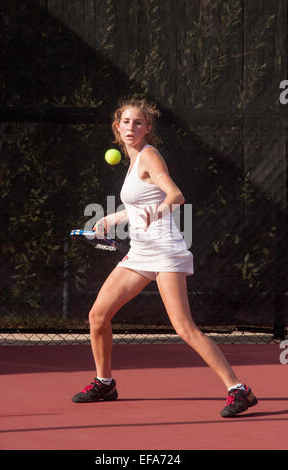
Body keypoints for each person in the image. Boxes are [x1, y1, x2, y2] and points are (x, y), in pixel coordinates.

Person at [72, 98, 258, 417]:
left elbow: (175, 195)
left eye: (138, 123)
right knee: (97, 316)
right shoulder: (132, 162)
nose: (132, 128)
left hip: (166, 251)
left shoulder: (149, 155)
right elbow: (136, 207)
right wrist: (108, 220)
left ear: (148, 129)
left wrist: (157, 211)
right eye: (126, 122)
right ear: (117, 127)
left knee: (184, 327)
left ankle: (239, 390)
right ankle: (105, 382)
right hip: (141, 253)